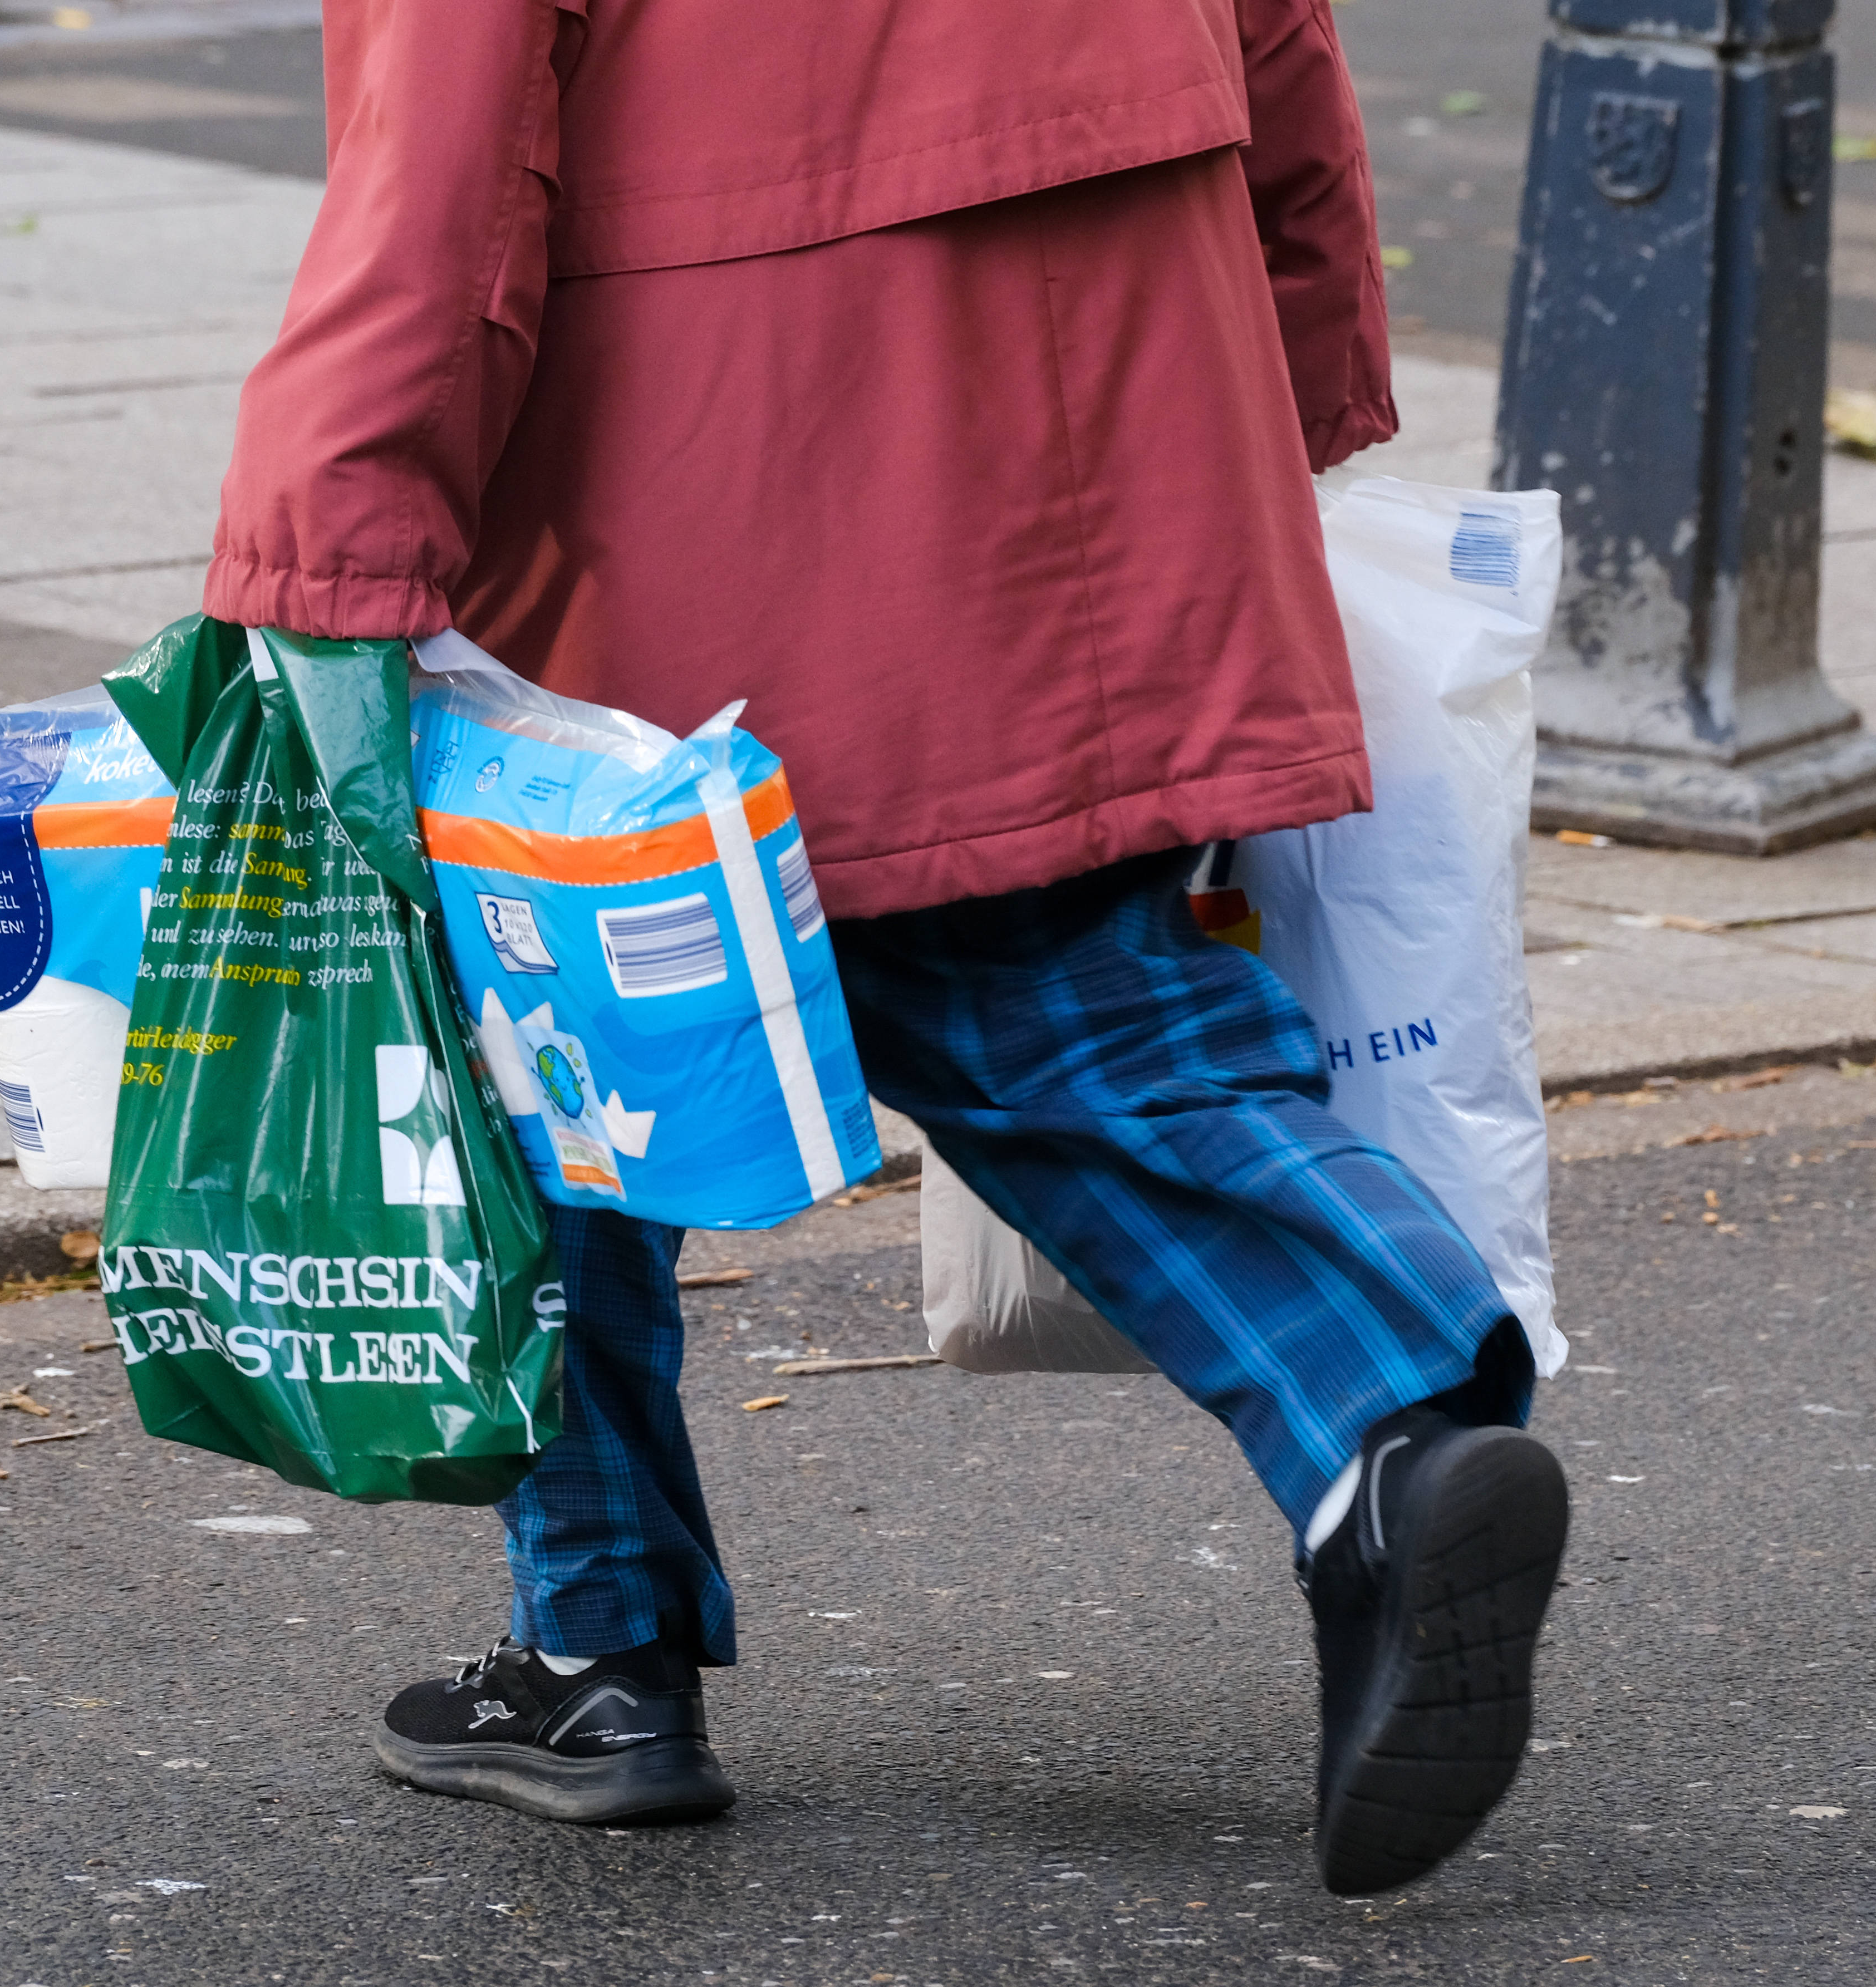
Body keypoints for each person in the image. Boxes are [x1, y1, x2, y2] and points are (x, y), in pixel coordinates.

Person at [206, 0, 1568, 1895]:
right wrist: (1292, 372)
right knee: (1066, 996)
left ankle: (600, 1649)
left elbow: (435, 173)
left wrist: (326, 545)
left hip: (696, 432)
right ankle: (1391, 1428)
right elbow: (1280, 48)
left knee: (550, 1023)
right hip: (1103, 394)